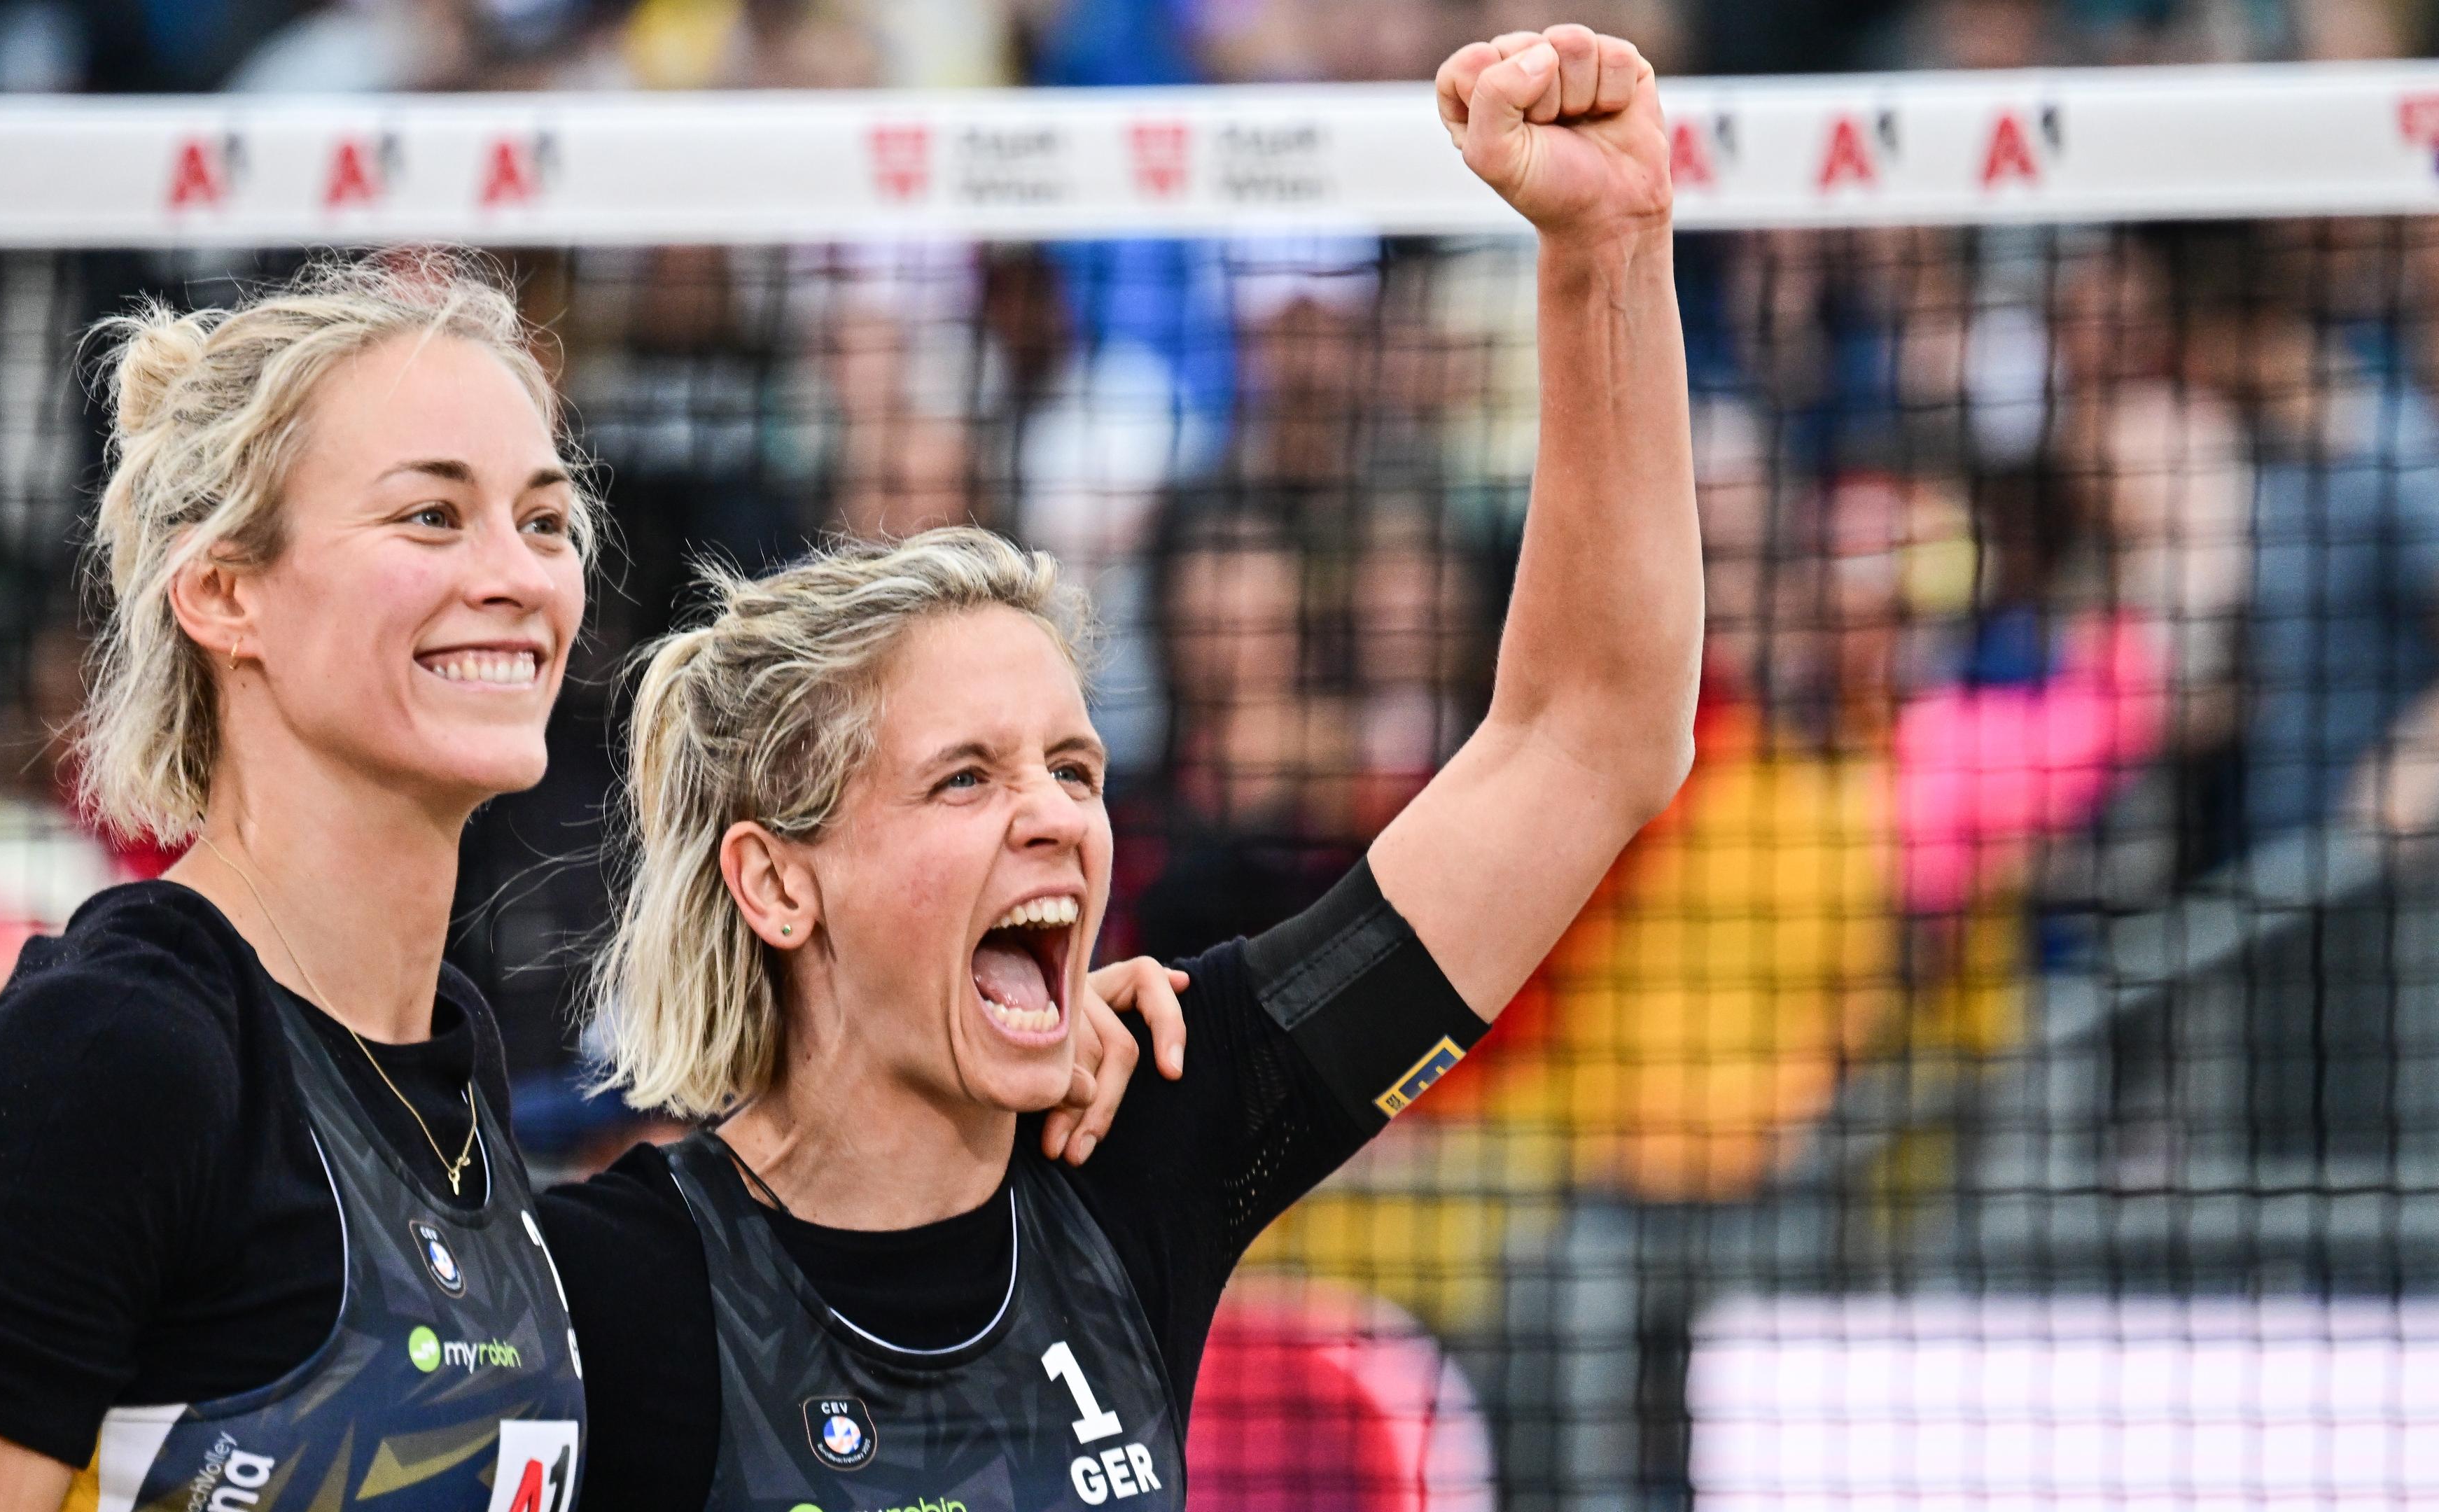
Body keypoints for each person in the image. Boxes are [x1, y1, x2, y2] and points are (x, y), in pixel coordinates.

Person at [0, 251, 1183, 1512]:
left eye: (543, 520)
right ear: (224, 593)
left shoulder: (439, 1078)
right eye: (430, 516)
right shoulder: (112, 1055)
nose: (516, 575)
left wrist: (1011, 1019)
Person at [538, 24, 1701, 1511]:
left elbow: (1591, 738)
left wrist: (1609, 244)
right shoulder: (608, 1293)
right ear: (774, 882)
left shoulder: (1146, 1146)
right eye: (966, 778)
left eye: (1076, 771)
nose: (1054, 817)